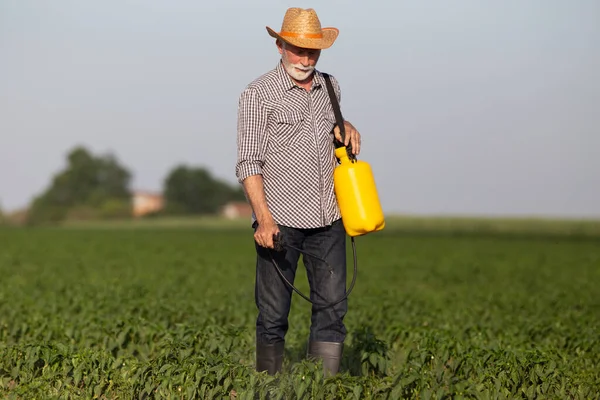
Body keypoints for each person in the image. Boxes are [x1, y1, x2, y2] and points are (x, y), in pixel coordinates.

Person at [235, 7, 362, 377]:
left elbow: (331, 127)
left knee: (333, 310)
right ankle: (269, 386)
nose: (306, 58)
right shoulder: (258, 94)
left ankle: (322, 387)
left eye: (313, 51)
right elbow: (248, 162)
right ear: (279, 45)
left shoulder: (330, 86)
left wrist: (347, 126)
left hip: (330, 220)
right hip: (281, 222)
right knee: (273, 315)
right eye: (297, 49)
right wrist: (264, 218)